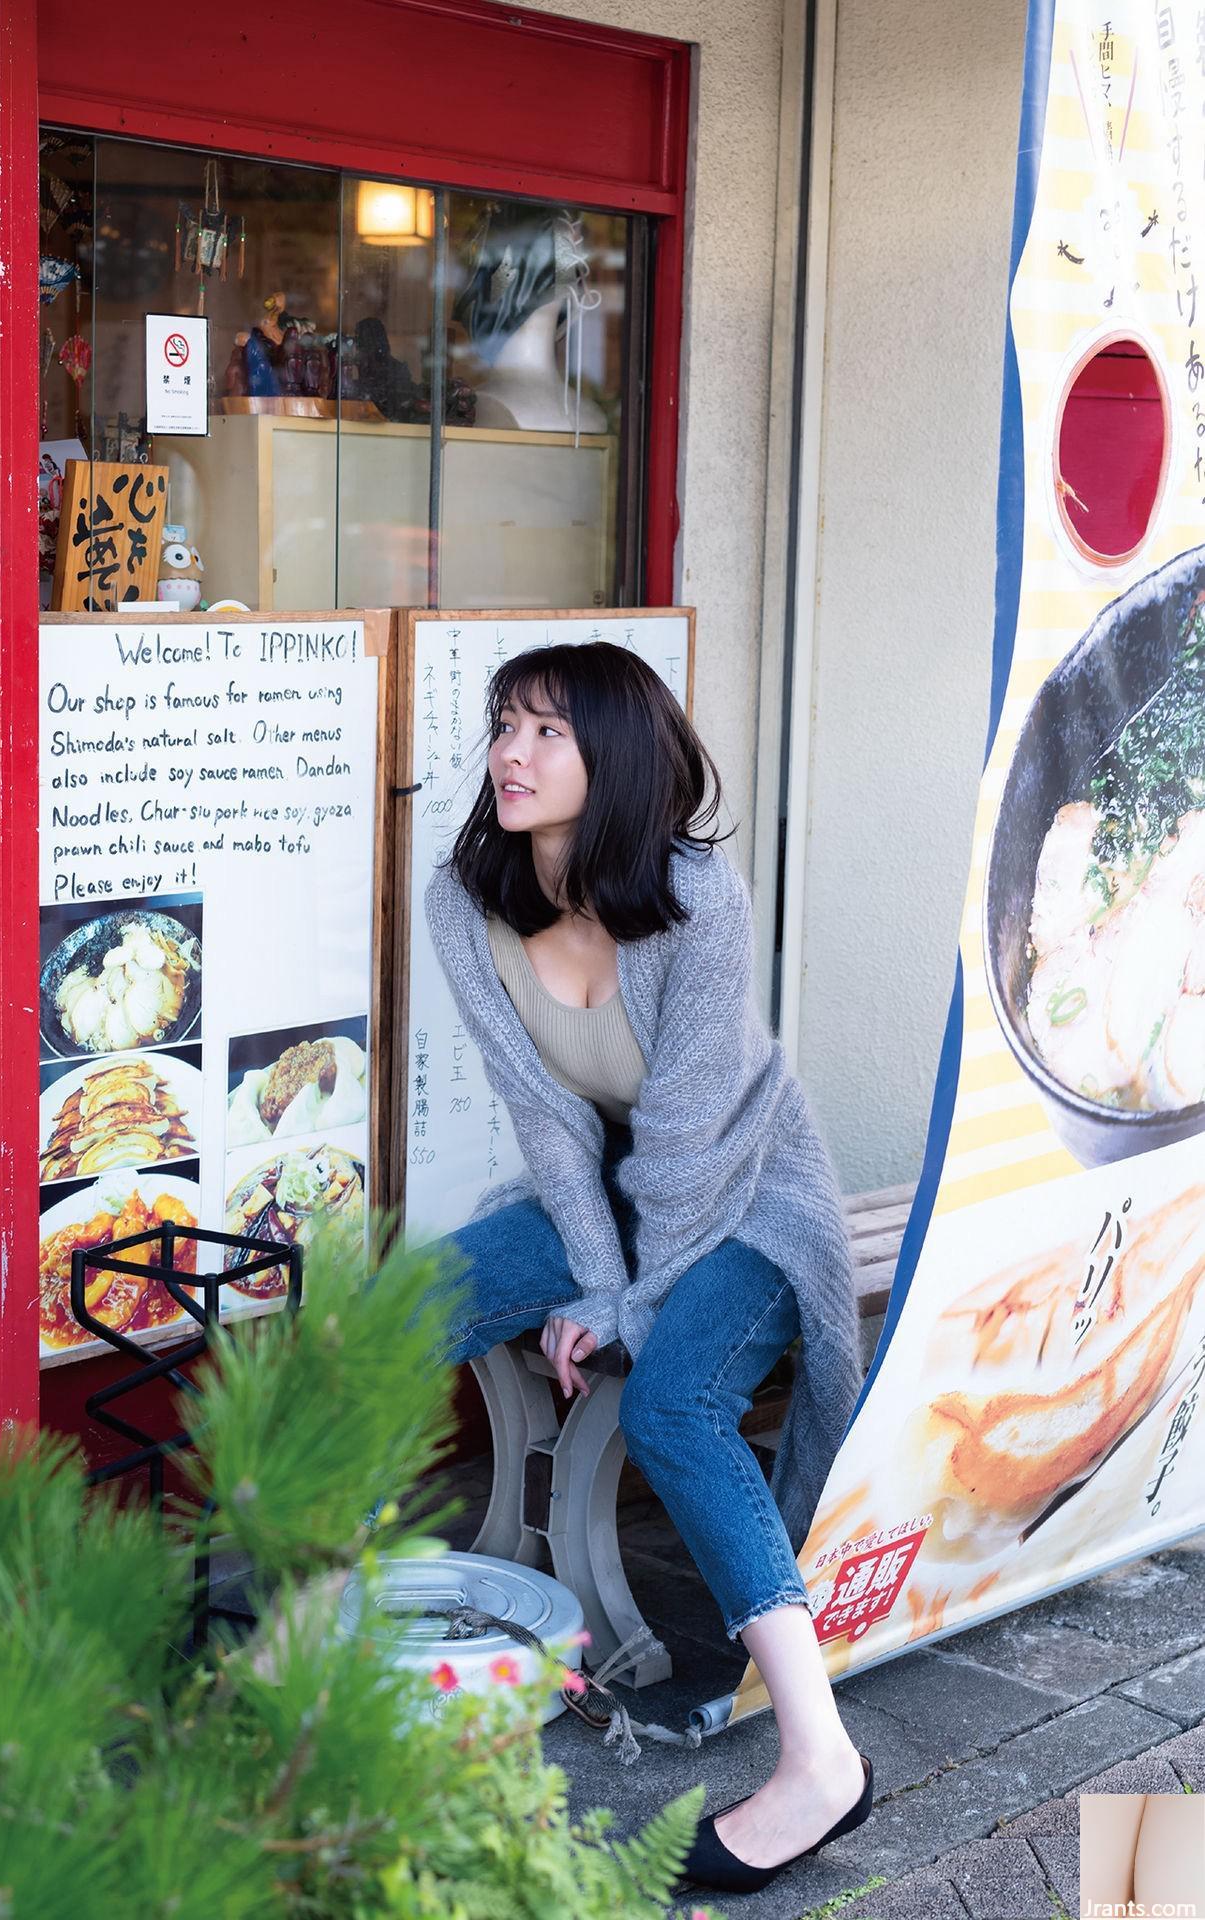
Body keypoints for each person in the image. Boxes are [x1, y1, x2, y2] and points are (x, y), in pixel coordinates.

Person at [417, 641, 874, 1895]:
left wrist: (624, 1299)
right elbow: (551, 1123)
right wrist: (595, 1272)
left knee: (674, 1400)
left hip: (746, 1193)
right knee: (399, 1314)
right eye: (504, 725)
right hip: (601, 1192)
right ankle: (334, 1647)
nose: (509, 754)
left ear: (611, 755)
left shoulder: (694, 895)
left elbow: (683, 1137)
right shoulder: (464, 901)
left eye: (546, 732)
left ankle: (818, 1759)